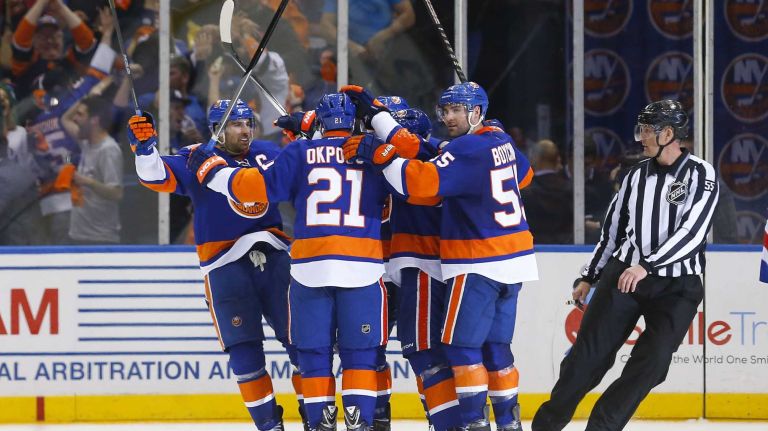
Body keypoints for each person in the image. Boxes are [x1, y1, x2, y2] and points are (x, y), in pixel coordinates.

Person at [188, 93, 390, 431]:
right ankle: (362, 424)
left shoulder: (299, 152)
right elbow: (409, 186)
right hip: (363, 267)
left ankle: (320, 424)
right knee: (360, 356)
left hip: (311, 270)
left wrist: (212, 173)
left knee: (312, 355)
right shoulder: (372, 152)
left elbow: (258, 188)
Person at [342, 81, 538, 431]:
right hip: (514, 260)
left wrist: (381, 154)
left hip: (476, 260)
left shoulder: (465, 152)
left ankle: (471, 424)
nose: (447, 117)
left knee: (459, 350)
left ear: (476, 112)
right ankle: (509, 423)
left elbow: (416, 182)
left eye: (455, 110)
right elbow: (524, 174)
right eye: (444, 110)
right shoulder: (497, 141)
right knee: (496, 351)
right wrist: (379, 116)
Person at [531, 100, 720, 431]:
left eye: (648, 130)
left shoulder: (701, 174)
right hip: (624, 277)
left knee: (654, 363)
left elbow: (693, 233)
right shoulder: (634, 177)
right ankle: (547, 425)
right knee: (585, 360)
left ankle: (602, 426)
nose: (641, 137)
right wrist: (589, 276)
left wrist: (647, 265)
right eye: (642, 129)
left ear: (669, 133)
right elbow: (612, 234)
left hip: (677, 286)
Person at [126, 100, 293, 431]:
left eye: (248, 123)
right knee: (244, 354)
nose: (245, 130)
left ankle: (316, 419)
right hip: (225, 265)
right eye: (235, 124)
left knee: (304, 342)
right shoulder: (195, 156)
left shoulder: (267, 151)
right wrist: (144, 149)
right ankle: (269, 425)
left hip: (275, 258)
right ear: (217, 129)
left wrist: (307, 136)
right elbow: (154, 175)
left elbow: (307, 171)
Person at [385, 107, 464, 431]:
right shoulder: (449, 157)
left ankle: (448, 424)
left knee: (425, 354)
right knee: (436, 354)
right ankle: (448, 420)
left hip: (423, 266)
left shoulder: (417, 166)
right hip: (431, 266)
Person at [61, 95, 123, 244]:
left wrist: (86, 181)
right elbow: (65, 119)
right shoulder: (87, 143)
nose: (75, 118)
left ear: (94, 120)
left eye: (80, 114)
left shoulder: (108, 150)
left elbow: (116, 193)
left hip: (100, 239)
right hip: (79, 235)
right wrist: (86, 97)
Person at [521, 139, 573, 244]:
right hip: (566, 248)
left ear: (535, 159)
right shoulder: (571, 189)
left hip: (534, 249)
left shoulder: (525, 191)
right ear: (557, 160)